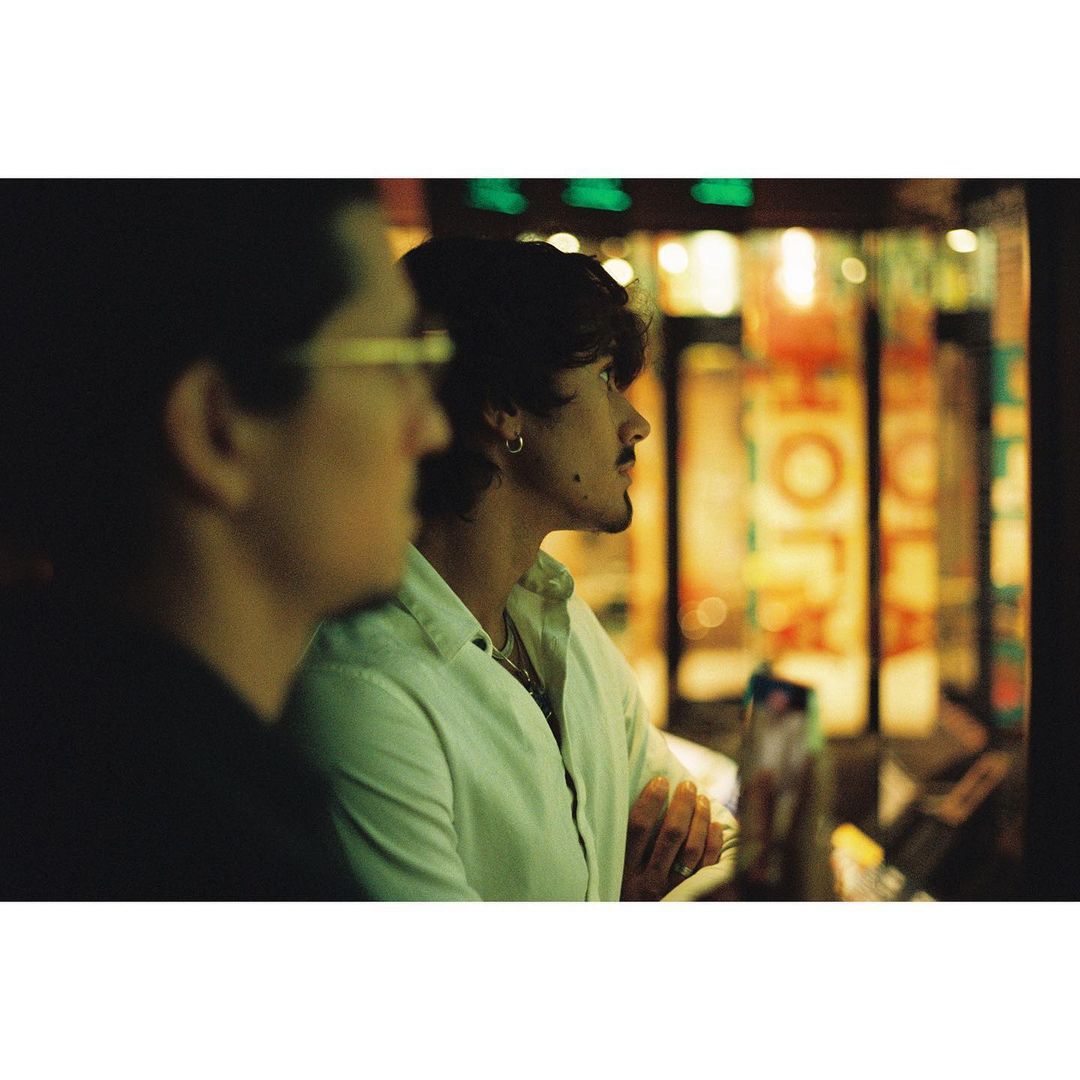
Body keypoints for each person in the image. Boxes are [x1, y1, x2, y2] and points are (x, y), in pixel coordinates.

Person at [0, 180, 451, 899]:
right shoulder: (198, 859)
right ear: (217, 430)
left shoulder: (63, 752)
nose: (433, 429)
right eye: (397, 362)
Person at [284, 236, 739, 900]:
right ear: (502, 408)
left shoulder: (557, 615)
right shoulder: (363, 689)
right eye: (604, 380)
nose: (636, 423)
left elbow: (709, 839)